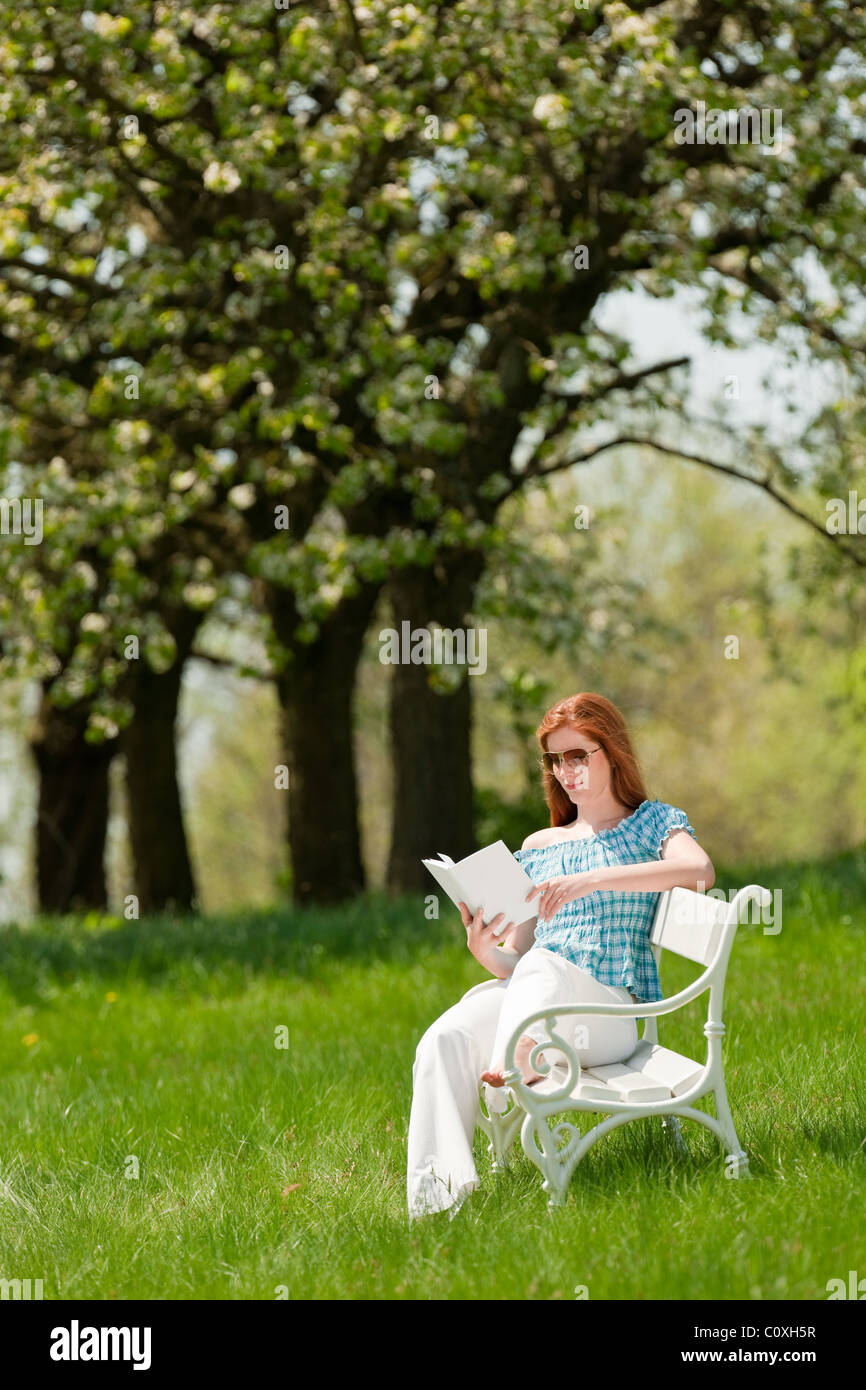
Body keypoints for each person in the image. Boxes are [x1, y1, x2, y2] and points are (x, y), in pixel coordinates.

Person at [406, 691, 715, 1220]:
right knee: (445, 1037)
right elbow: (519, 959)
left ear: (611, 751)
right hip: (538, 1003)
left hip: (609, 1015)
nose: (566, 770)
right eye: (556, 758)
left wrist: (591, 879)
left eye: (579, 755)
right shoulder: (541, 844)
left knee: (545, 968)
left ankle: (514, 1059)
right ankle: (439, 1205)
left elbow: (700, 872)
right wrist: (486, 952)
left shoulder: (651, 823)